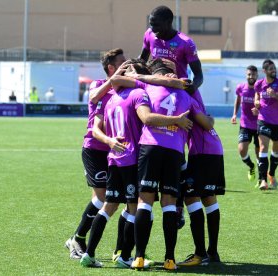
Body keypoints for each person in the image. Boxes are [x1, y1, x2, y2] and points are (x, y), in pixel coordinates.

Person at [80, 59, 192, 268]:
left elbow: (97, 126)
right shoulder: (140, 93)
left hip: (113, 157)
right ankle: (127, 256)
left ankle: (90, 253)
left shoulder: (112, 98)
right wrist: (176, 119)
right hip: (132, 157)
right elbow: (147, 118)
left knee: (109, 206)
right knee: (136, 207)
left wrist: (109, 141)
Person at [125, 59, 212, 271]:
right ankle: (170, 259)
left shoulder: (147, 86)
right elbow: (206, 123)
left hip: (151, 147)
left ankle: (138, 256)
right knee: (169, 204)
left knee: (145, 202)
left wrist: (136, 74)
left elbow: (144, 116)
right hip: (174, 151)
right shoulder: (187, 95)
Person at [65, 48, 126, 260]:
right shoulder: (99, 85)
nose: (126, 65)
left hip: (114, 150)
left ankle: (80, 239)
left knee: (109, 200)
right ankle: (77, 239)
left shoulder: (124, 88)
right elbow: (92, 96)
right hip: (94, 148)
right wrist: (114, 80)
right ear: (111, 68)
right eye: (122, 62)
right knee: (103, 197)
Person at [178, 89, 225, 266]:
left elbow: (207, 124)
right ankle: (212, 252)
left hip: (203, 152)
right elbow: (208, 121)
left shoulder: (186, 99)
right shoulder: (195, 94)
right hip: (213, 149)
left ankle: (200, 254)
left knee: (191, 197)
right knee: (208, 198)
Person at [140, 5, 203, 95]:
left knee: (199, 108)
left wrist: (191, 87)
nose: (153, 29)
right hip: (155, 87)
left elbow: (199, 76)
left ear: (169, 22)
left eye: (157, 25)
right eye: (151, 24)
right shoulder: (149, 34)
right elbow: (142, 61)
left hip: (177, 89)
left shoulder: (186, 43)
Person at [254, 59, 278, 190]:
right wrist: (256, 103)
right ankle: (263, 180)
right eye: (271, 69)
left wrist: (276, 96)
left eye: (274, 68)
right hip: (263, 119)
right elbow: (257, 96)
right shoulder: (259, 84)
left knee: (276, 151)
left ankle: (271, 174)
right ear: (264, 71)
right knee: (263, 148)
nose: (273, 71)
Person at [231, 65, 260, 182]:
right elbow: (238, 100)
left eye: (253, 74)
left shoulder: (260, 89)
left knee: (260, 154)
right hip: (245, 124)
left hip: (259, 125)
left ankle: (261, 178)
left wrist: (259, 110)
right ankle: (251, 166)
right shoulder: (240, 87)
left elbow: (267, 105)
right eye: (249, 74)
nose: (251, 77)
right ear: (246, 75)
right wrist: (234, 114)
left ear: (257, 75)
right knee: (242, 150)